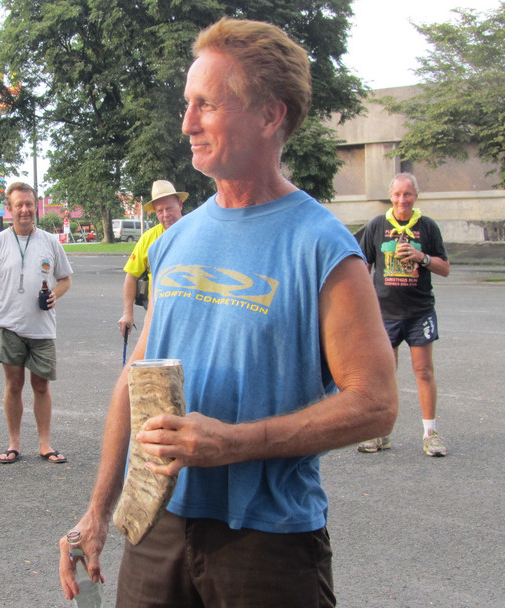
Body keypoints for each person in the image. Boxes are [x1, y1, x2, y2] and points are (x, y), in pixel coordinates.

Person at [58, 18, 397, 607]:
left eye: (207, 105)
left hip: (267, 542)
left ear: (269, 115)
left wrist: (234, 443)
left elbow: (376, 403)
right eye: (187, 104)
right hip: (156, 526)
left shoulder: (322, 246)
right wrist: (96, 512)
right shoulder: (173, 241)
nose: (187, 123)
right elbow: (134, 380)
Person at [356, 173, 451, 456]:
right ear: (391, 196)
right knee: (385, 374)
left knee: (424, 371)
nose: (402, 200)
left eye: (407, 194)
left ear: (416, 196)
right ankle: (380, 433)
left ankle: (431, 434)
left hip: (419, 312)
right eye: (397, 194)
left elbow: (445, 268)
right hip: (385, 314)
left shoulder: (427, 227)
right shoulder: (377, 225)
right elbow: (362, 267)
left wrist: (422, 257)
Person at [0, 182, 73, 465]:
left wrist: (54, 294)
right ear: (9, 209)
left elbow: (65, 279)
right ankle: (14, 444)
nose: (24, 210)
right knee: (13, 384)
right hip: (8, 325)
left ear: (35, 207)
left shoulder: (50, 241)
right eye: (18, 204)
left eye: (29, 204)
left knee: (41, 385)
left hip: (42, 326)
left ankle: (45, 444)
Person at [117, 180, 187, 338]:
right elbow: (131, 277)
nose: (165, 215)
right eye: (160, 211)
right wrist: (127, 313)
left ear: (180, 205)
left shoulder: (196, 232)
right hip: (156, 313)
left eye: (169, 208)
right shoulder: (148, 238)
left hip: (191, 312)